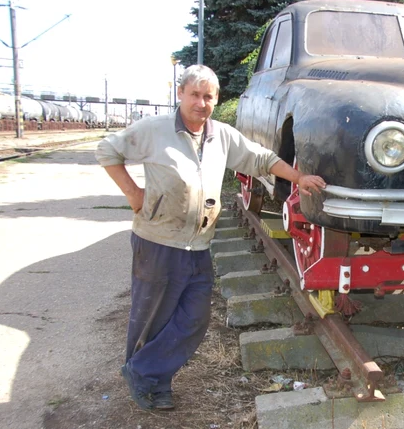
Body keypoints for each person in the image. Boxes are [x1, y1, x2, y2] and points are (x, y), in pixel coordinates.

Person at [94, 64, 325, 410]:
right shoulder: (155, 130)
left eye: (208, 96)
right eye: (194, 95)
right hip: (158, 242)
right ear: (180, 95)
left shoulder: (221, 135)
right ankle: (152, 383)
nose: (201, 103)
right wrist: (134, 195)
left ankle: (142, 371)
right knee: (152, 318)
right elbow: (107, 151)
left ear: (216, 100)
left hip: (198, 245)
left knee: (194, 319)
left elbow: (260, 158)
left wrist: (298, 177)